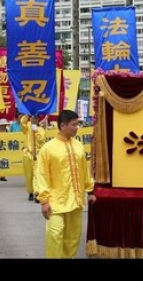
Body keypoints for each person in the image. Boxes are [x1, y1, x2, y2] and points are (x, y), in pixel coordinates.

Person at [34, 110, 96, 258]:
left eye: (78, 124)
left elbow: (84, 170)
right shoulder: (48, 148)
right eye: (74, 124)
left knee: (73, 239)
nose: (77, 127)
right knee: (55, 234)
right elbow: (41, 175)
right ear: (63, 125)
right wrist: (44, 200)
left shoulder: (79, 146)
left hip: (76, 200)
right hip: (56, 201)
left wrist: (91, 191)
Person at [21, 115, 47, 202]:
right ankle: (30, 192)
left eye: (36, 118)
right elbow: (22, 122)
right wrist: (27, 113)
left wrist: (36, 130)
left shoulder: (41, 129)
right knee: (29, 175)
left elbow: (41, 139)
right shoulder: (27, 126)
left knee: (37, 174)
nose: (34, 119)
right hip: (27, 154)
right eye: (32, 117)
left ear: (38, 119)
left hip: (38, 155)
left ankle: (37, 193)